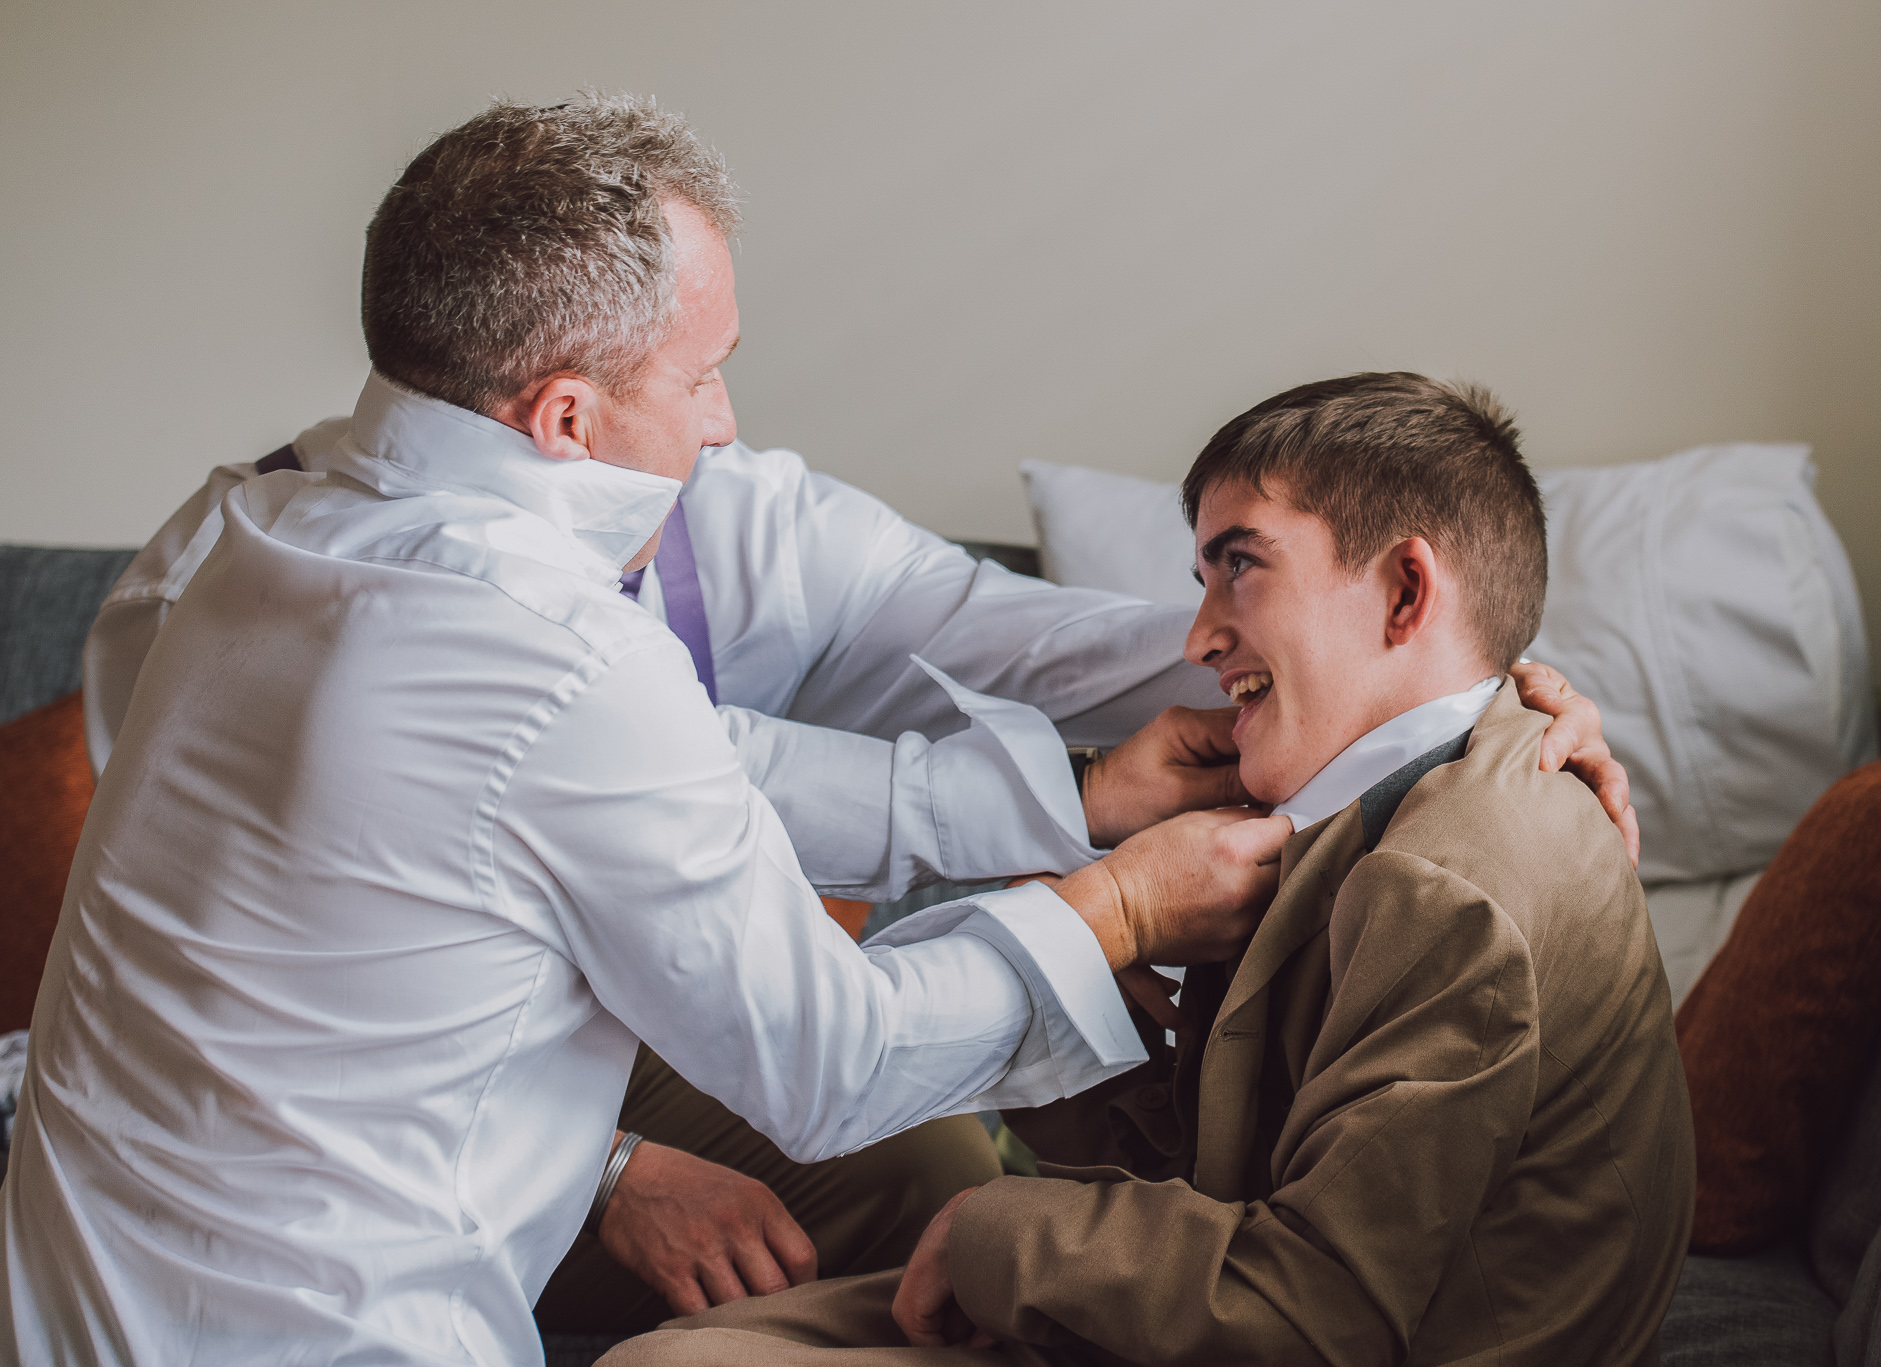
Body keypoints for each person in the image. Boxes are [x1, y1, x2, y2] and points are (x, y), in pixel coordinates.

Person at [35, 95, 1634, 1350]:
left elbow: (1010, 639)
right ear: (570, 415)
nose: (731, 420)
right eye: (706, 374)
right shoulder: (553, 650)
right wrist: (1117, 897)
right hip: (326, 1320)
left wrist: (1449, 665)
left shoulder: (258, 546)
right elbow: (827, 1056)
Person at [600, 372, 1694, 1366]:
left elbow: (1317, 1309)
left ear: (1407, 593)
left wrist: (999, 1231)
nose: (1199, 636)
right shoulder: (1355, 805)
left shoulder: (1438, 876)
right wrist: (1101, 1016)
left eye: (1240, 565)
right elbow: (1249, 1178)